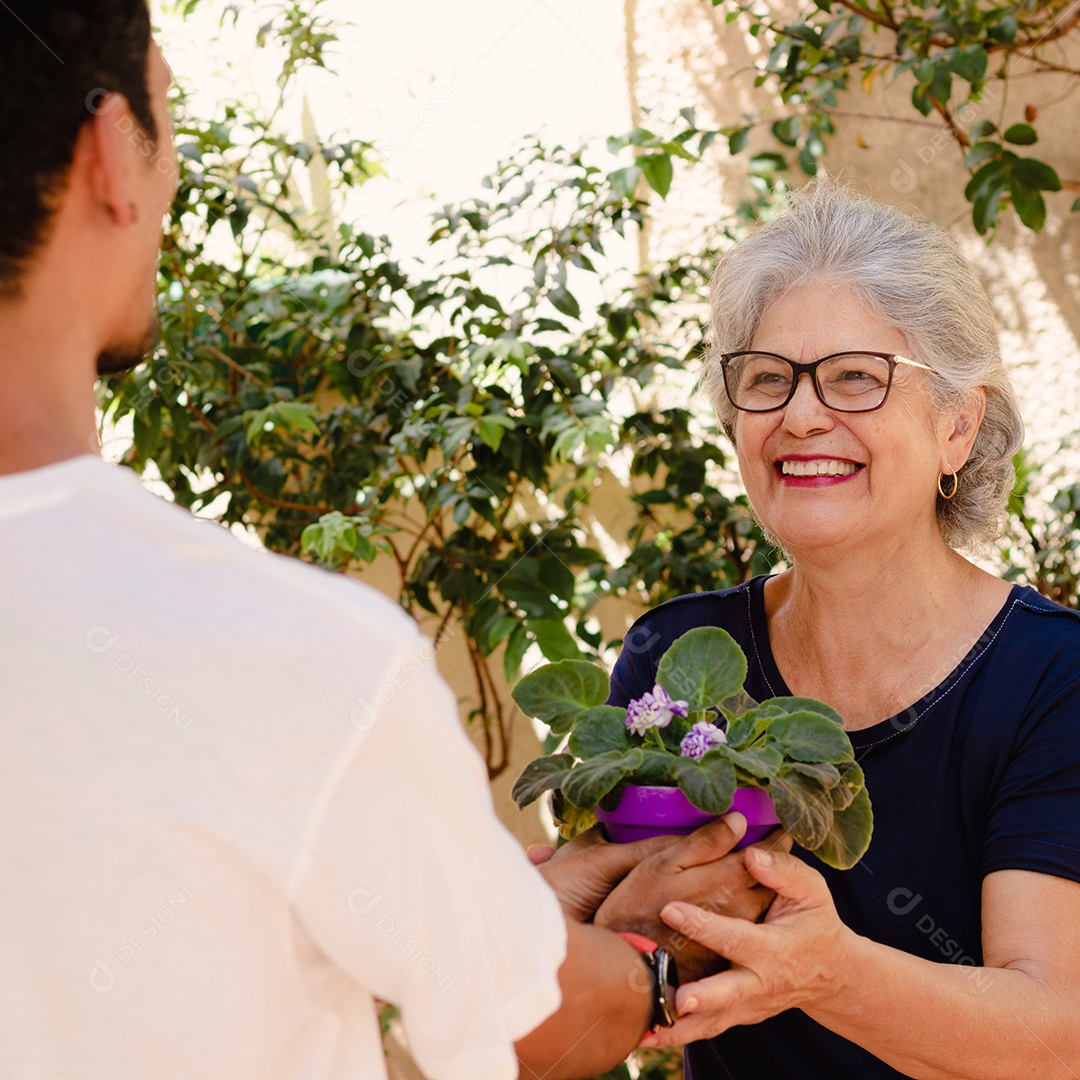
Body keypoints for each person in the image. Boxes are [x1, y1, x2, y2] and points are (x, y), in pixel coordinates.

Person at [0, 3, 774, 1079]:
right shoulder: (285, 655)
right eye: (165, 119)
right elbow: (523, 1018)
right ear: (108, 161)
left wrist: (508, 915)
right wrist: (654, 967)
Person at [603, 179, 1080, 1078]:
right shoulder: (677, 660)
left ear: (957, 427)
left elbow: (1055, 1036)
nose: (803, 414)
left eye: (857, 377)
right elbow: (626, 971)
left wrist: (824, 973)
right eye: (768, 379)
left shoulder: (1053, 680)